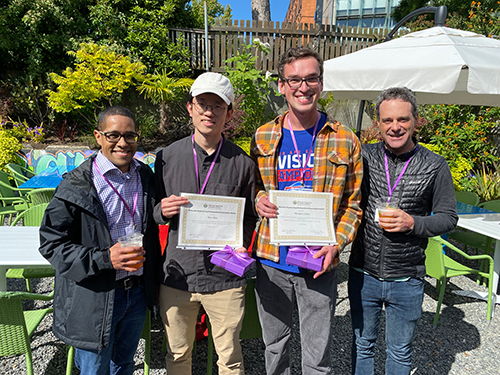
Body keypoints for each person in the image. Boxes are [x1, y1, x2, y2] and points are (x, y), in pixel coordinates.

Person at [250, 46, 363, 374]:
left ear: (321, 83)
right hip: (272, 260)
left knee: (317, 356)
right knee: (274, 347)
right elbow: (252, 186)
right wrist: (258, 198)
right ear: (282, 86)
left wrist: (336, 244)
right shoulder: (263, 136)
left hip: (318, 262)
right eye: (294, 80)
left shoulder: (345, 140)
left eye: (311, 78)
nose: (303, 87)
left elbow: (353, 205)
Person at [39, 106, 160, 375]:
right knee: (95, 370)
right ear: (98, 136)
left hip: (136, 292)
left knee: (124, 365)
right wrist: (106, 258)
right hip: (96, 294)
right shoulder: (77, 185)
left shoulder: (145, 176)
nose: (122, 143)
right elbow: (52, 244)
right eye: (113, 135)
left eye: (130, 135)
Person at [153, 72, 258, 375]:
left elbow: (250, 215)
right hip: (177, 275)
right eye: (202, 104)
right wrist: (161, 209)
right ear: (190, 108)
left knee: (230, 358)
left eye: (218, 105)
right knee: (177, 355)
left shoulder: (242, 163)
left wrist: (242, 240)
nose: (209, 112)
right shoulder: (166, 159)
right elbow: (149, 212)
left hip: (225, 277)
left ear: (229, 113)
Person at [348, 87, 458, 375]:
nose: (395, 127)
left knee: (399, 351)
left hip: (407, 277)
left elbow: (448, 218)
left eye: (402, 120)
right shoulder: (364, 157)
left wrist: (414, 223)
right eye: (387, 120)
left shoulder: (435, 165)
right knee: (363, 345)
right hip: (364, 272)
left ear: (415, 120)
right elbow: (340, 196)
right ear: (378, 124)